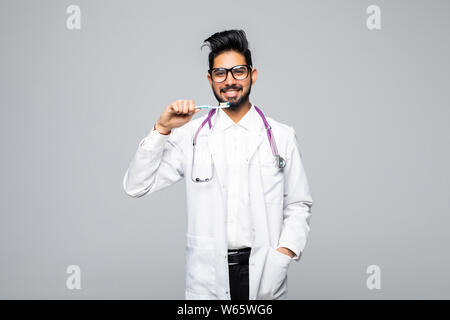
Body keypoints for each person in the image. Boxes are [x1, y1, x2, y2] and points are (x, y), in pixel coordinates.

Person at [123, 29, 313, 300]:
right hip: (208, 276)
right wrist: (162, 129)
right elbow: (135, 186)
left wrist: (285, 253)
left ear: (252, 74)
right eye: (220, 73)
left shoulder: (281, 136)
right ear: (210, 79)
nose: (230, 80)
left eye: (238, 71)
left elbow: (298, 204)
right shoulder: (190, 135)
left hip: (264, 273)